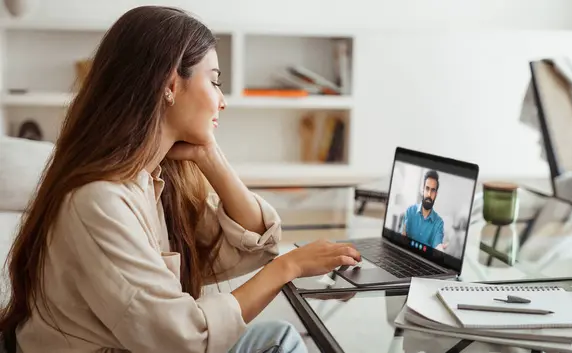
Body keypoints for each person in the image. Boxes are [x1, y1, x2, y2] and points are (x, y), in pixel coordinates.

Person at [0, 6, 361, 353]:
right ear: (171, 83)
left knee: (279, 336)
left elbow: (252, 247)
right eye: (215, 81)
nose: (222, 101)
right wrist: (290, 266)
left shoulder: (150, 182)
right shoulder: (98, 201)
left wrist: (211, 158)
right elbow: (182, 340)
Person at [400, 170, 447, 250]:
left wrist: (440, 249)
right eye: (427, 189)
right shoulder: (409, 212)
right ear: (423, 190)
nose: (429, 194)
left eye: (433, 190)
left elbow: (437, 246)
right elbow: (402, 238)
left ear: (436, 194)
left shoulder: (439, 223)